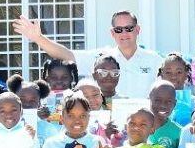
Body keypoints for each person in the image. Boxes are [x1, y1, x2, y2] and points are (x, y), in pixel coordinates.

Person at [15, 11, 164, 99]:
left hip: (143, 124)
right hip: (108, 124)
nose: (124, 33)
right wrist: (38, 38)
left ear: (137, 30)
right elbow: (67, 55)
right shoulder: (101, 58)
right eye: (118, 30)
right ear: (112, 33)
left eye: (129, 28)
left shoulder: (154, 60)